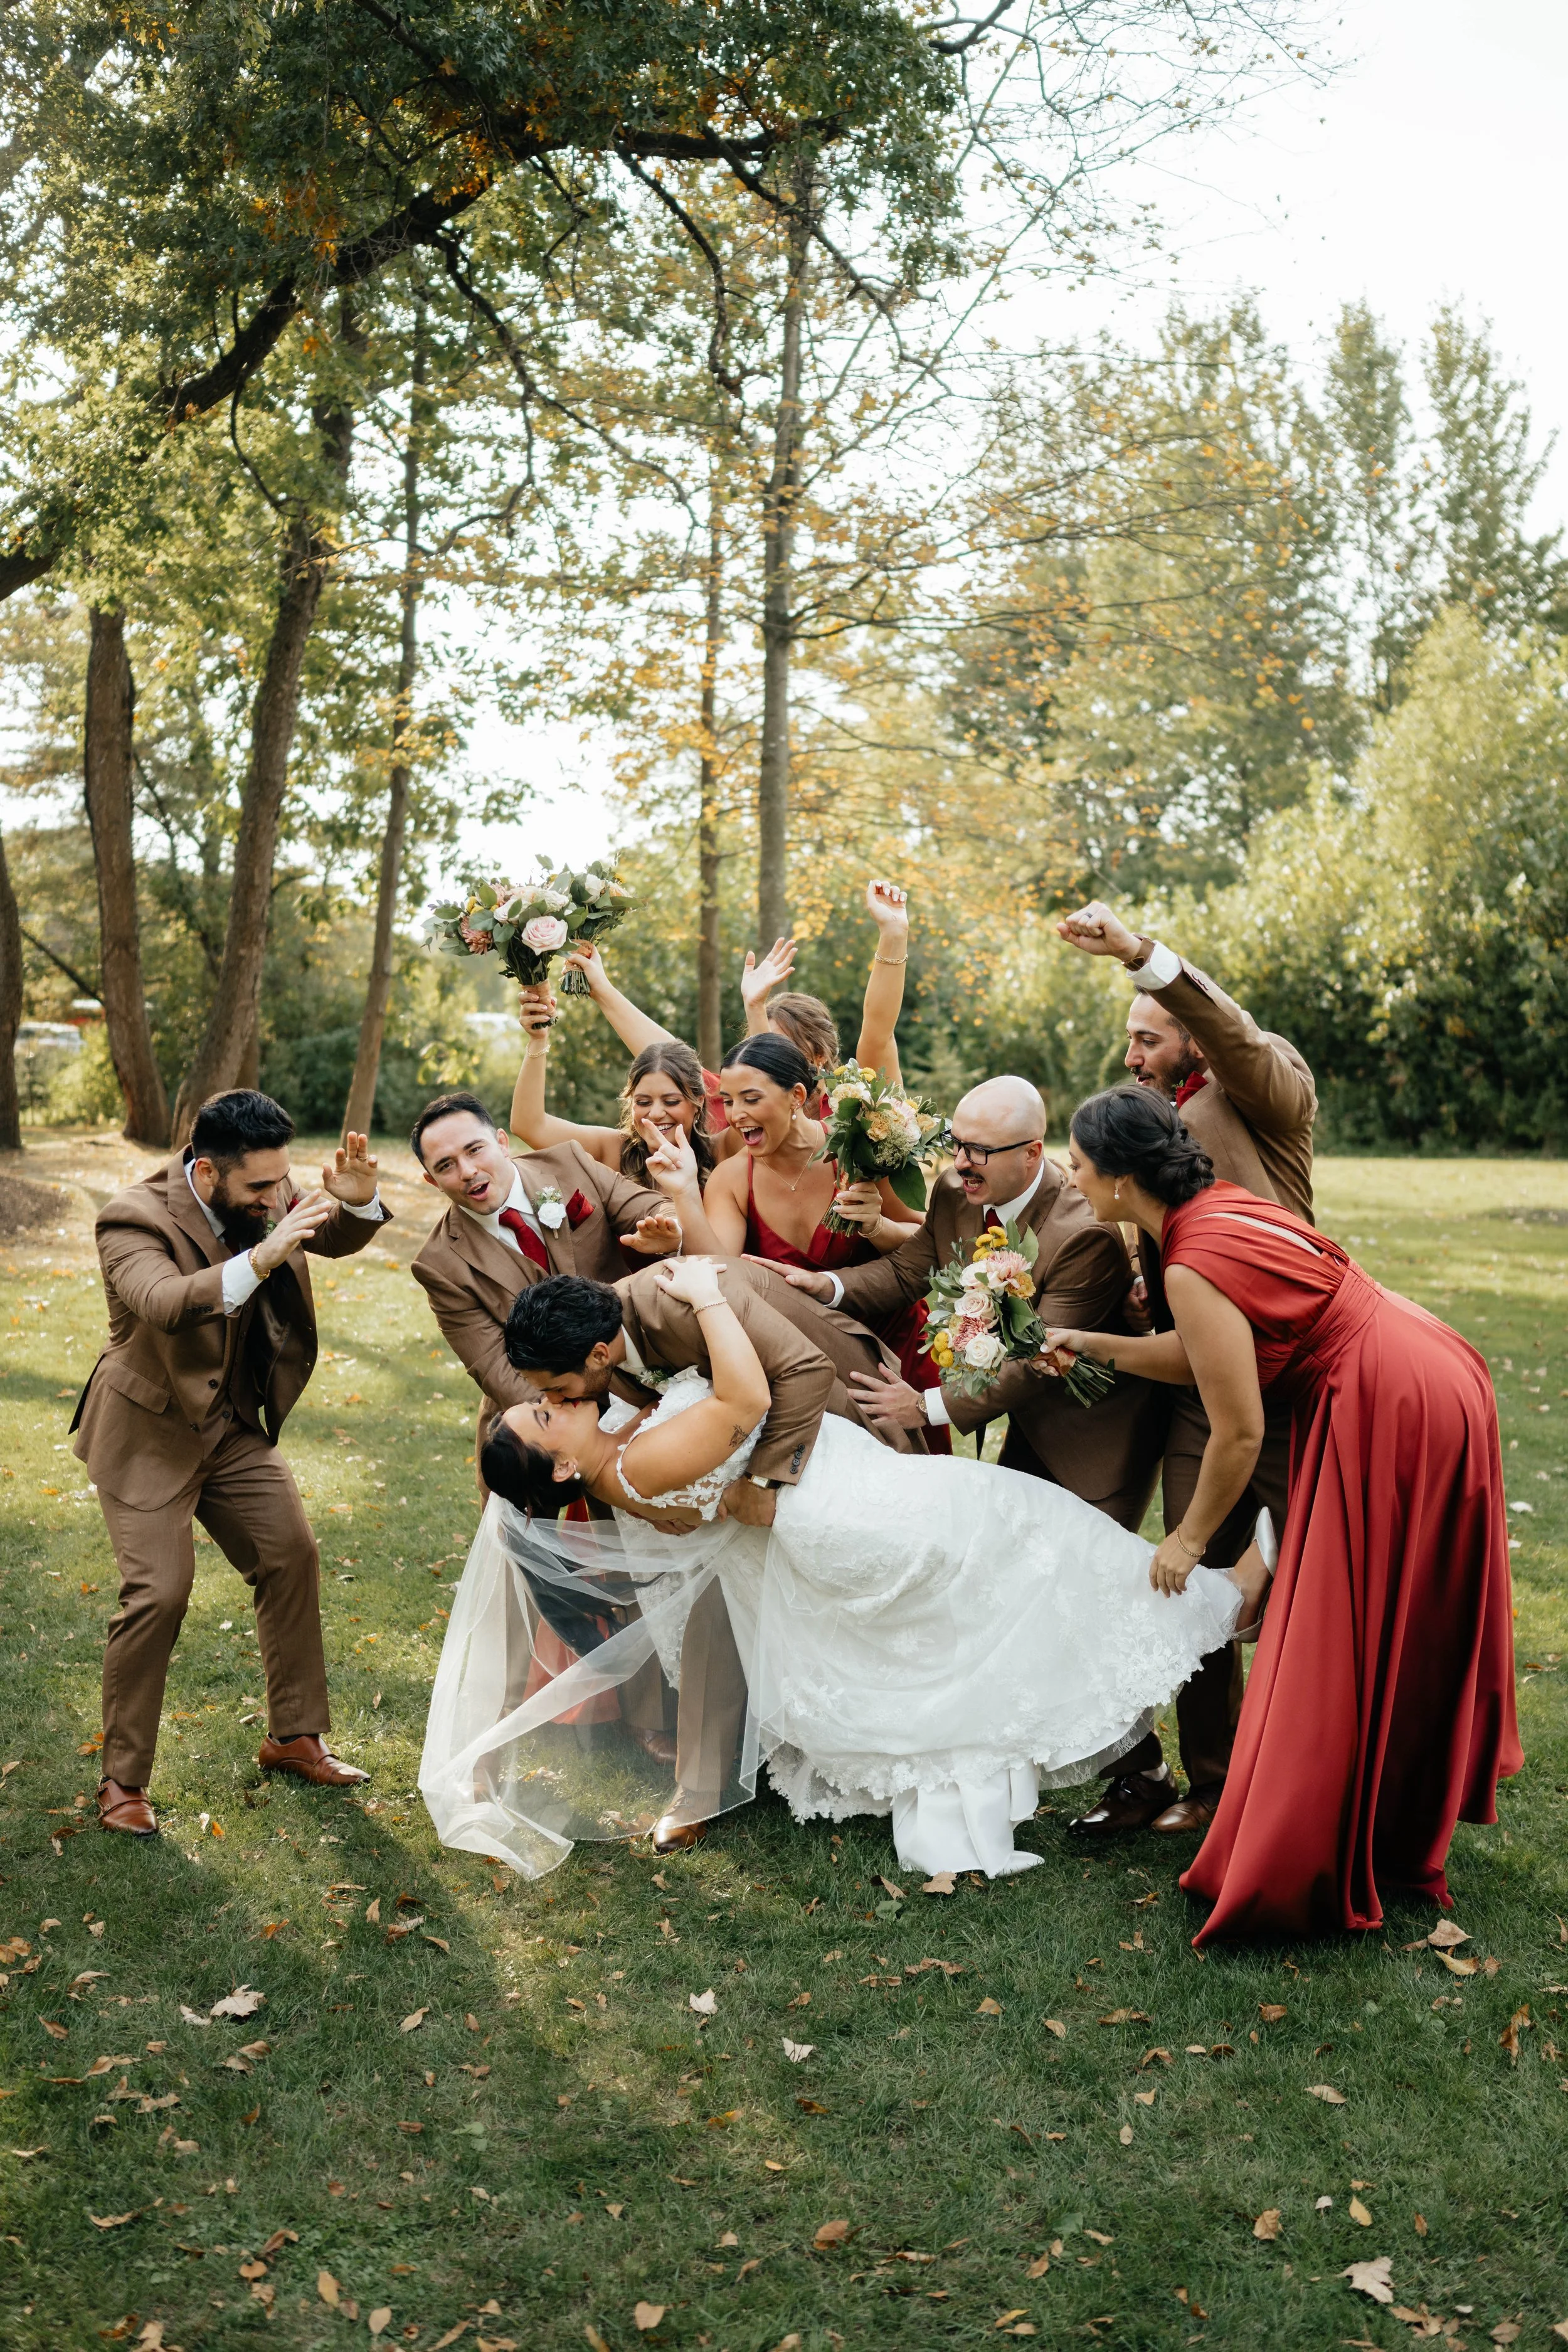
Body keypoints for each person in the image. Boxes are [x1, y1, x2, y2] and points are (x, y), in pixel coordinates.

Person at [426, 1256, 1269, 1882]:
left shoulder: (619, 1443)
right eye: (544, 1411)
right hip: (847, 1511)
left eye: (550, 1393)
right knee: (1030, 1558)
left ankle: (1197, 1625)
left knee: (1021, 1571)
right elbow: (746, 1403)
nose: (558, 1400)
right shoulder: (635, 1465)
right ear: (563, 1468)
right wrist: (712, 1291)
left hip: (848, 1488)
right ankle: (1214, 1604)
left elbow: (755, 1382)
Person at [1047, 1085, 1521, 1943]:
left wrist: (1188, 1540)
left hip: (1384, 1396)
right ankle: (1384, 1819)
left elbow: (1237, 1432)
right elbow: (1202, 1354)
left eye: (1077, 1163)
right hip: (1425, 1365)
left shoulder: (1189, 1259)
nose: (1069, 1175)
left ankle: (1319, 1842)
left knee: (1337, 1627)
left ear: (1119, 1178)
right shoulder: (1211, 1210)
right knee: (1386, 1616)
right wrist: (1092, 1344)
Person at [1056, 899, 1317, 1836]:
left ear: (1191, 1029)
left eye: (1148, 1035)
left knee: (1302, 1573)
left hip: (1284, 1380)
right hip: (1195, 1374)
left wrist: (1139, 954)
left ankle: (1306, 1772)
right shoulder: (1145, 1123)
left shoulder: (1265, 1086)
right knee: (1198, 1564)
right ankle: (1212, 1783)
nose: (1133, 1054)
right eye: (1128, 1039)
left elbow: (1229, 1032)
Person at [73, 1090, 385, 1837]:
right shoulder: (131, 1217)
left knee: (291, 1554)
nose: (277, 1197)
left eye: (282, 1183)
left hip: (234, 1424)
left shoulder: (261, 1192)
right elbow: (164, 1302)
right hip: (149, 1431)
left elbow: (328, 1234)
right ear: (206, 1172)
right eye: (260, 1189)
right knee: (160, 1593)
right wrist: (262, 1255)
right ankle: (122, 1782)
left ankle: (293, 1737)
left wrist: (359, 1204)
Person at [492, 1259, 884, 1852]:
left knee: (844, 1602)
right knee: (711, 1603)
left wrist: (760, 1482)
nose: (552, 1398)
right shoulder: (593, 1378)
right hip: (726, 1485)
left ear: (598, 1357)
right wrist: (646, 1496)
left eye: (554, 1391)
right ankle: (701, 1787)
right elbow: (645, 1430)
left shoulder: (683, 1304)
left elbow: (802, 1373)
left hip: (824, 1419)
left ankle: (856, 1742)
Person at [407, 1090, 706, 1468]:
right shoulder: (439, 1265)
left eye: (475, 1150)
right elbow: (498, 1370)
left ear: (501, 1142)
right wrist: (594, 1435)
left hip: (659, 1369)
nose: (467, 1172)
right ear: (432, 1181)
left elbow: (654, 1207)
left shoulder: (569, 1163)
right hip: (554, 1421)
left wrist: (670, 1230)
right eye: (446, 1166)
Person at [511, 878, 914, 1149]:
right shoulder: (725, 1102)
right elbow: (663, 1054)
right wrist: (601, 988)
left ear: (818, 1060)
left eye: (780, 1047)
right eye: (759, 1043)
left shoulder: (855, 1108)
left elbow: (877, 1034)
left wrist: (894, 936)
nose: (764, 1057)